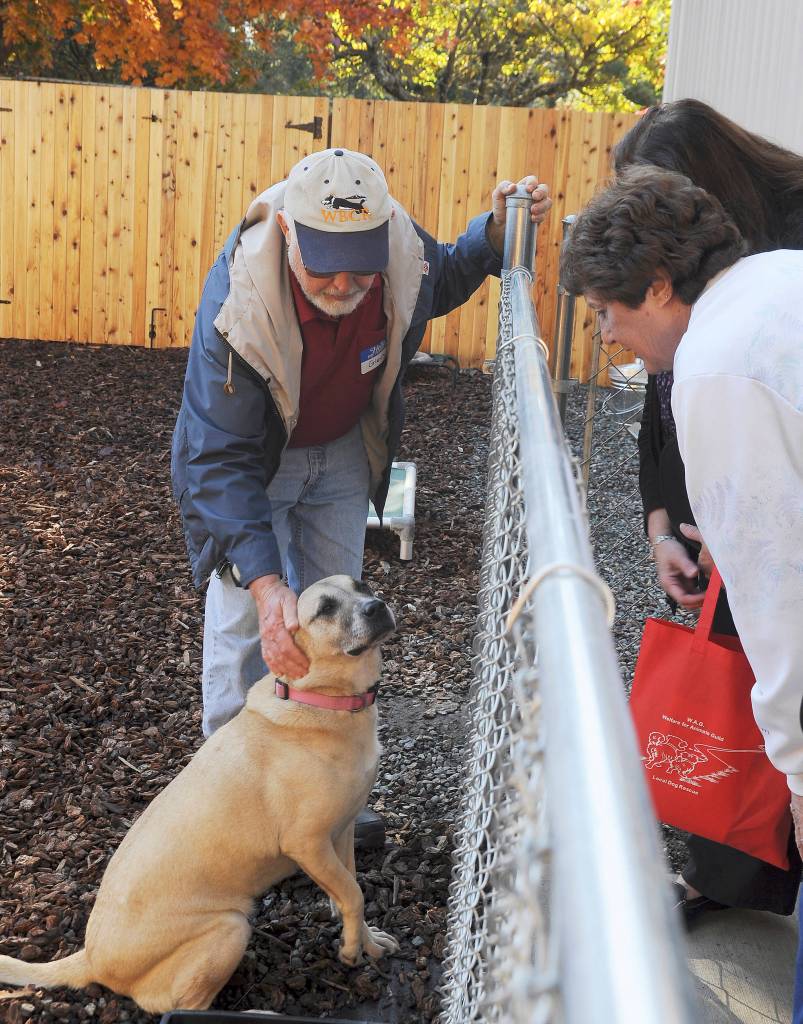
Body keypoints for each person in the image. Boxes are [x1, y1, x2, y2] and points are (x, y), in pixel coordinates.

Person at [171, 147, 551, 844]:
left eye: (360, 263)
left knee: (333, 613)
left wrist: (494, 235)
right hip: (260, 459)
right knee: (244, 624)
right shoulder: (238, 302)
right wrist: (263, 582)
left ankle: (321, 796)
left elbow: (445, 275)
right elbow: (217, 460)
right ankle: (226, 804)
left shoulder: (396, 250)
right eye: (325, 263)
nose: (346, 282)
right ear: (288, 232)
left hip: (344, 450)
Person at [560, 164, 803, 1008]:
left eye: (606, 311)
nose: (608, 338)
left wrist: (799, 776)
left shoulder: (715, 370)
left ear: (658, 286)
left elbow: (781, 599)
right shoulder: (781, 281)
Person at [612, 99, 803, 922]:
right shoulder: (700, 297)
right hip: (717, 521)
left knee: (770, 663)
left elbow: (781, 586)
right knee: (729, 692)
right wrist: (662, 524)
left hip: (769, 524)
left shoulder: (764, 278)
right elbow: (661, 404)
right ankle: (736, 861)